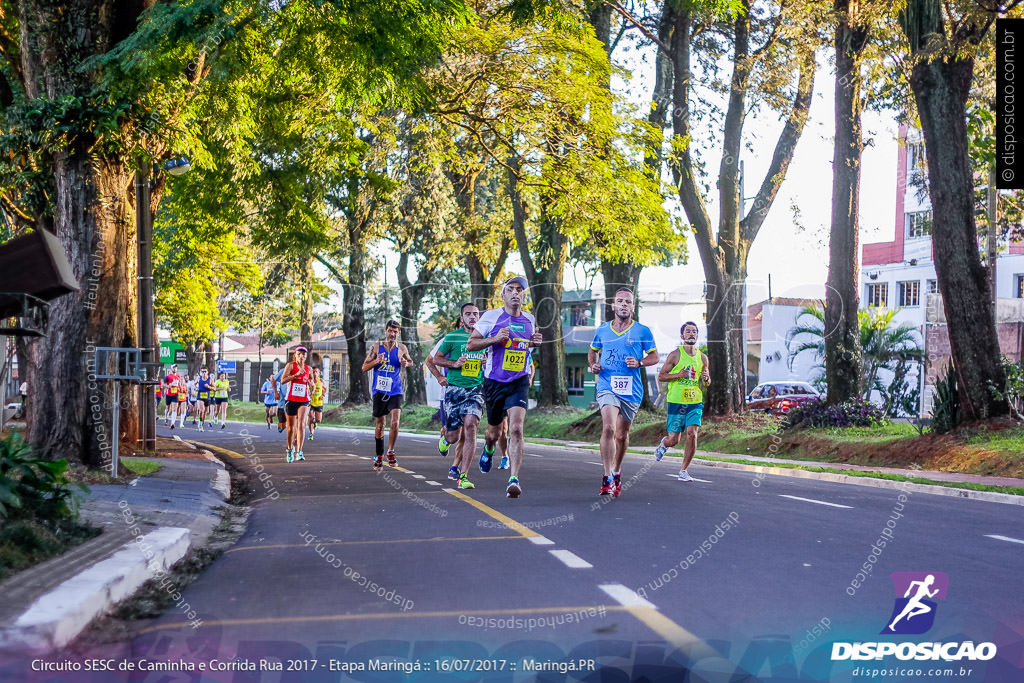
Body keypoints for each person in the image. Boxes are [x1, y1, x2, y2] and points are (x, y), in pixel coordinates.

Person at [466, 276, 542, 498]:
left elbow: (524, 346)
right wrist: (495, 338)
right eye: (511, 289)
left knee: (516, 428)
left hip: (519, 380)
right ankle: (489, 448)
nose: (516, 293)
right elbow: (471, 344)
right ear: (503, 295)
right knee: (494, 432)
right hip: (494, 381)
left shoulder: (529, 318)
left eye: (519, 290)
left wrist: (534, 342)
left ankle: (514, 478)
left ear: (523, 295)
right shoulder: (492, 316)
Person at [588, 288, 659, 497]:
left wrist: (639, 362)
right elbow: (592, 351)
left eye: (628, 301)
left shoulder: (642, 331)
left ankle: (617, 470)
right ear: (613, 306)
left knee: (622, 435)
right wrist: (593, 365)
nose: (624, 304)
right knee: (609, 427)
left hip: (631, 389)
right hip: (607, 385)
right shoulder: (602, 330)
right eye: (620, 301)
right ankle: (607, 476)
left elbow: (654, 357)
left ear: (633, 307)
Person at [430, 303, 485, 490]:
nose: (472, 317)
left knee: (471, 426)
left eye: (475, 314)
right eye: (468, 314)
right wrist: (454, 364)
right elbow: (435, 359)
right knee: (454, 436)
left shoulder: (485, 338)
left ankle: (463, 475)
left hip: (475, 390)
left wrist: (486, 361)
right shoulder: (452, 337)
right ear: (462, 318)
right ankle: (445, 439)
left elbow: (494, 362)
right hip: (454, 390)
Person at [655, 322, 711, 482]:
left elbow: (707, 382)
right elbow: (662, 376)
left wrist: (707, 379)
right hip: (676, 402)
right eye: (688, 331)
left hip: (695, 402)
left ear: (697, 335)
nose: (691, 334)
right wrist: (679, 374)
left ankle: (684, 471)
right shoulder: (675, 355)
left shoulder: (703, 358)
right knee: (674, 440)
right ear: (682, 336)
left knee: (692, 434)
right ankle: (664, 445)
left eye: (694, 331)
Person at [361, 320, 413, 469]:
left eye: (395, 332)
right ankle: (379, 455)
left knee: (395, 422)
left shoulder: (402, 348)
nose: (392, 334)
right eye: (390, 331)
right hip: (379, 390)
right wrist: (376, 360)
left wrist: (406, 363)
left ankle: (391, 451)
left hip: (395, 390)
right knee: (380, 424)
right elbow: (364, 367)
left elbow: (411, 362)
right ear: (385, 331)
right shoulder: (376, 348)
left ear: (399, 333)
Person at [282, 346, 312, 462]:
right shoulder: (290, 366)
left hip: (304, 400)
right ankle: (290, 450)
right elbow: (283, 380)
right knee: (291, 428)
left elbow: (309, 381)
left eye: (304, 354)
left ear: (306, 356)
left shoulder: (308, 368)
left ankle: (299, 451)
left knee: (301, 425)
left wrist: (312, 385)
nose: (302, 355)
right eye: (299, 353)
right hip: (291, 399)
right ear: (295, 355)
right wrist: (295, 375)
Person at [307, 367, 325, 440]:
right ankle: (311, 433)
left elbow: (325, 389)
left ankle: (315, 423)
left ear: (319, 373)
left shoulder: (321, 381)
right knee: (310, 417)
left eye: (316, 372)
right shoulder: (309, 381)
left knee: (318, 420)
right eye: (313, 372)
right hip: (310, 402)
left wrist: (323, 395)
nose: (314, 373)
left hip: (318, 403)